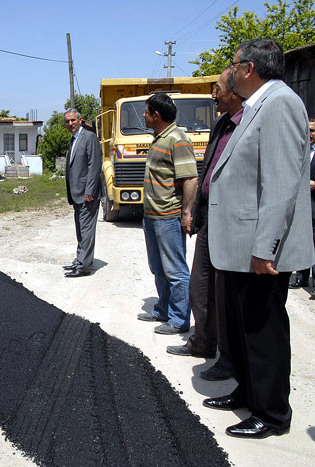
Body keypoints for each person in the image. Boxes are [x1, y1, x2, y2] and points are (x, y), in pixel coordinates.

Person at [203, 38, 314, 439]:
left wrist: (264, 246)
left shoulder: (280, 103)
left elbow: (282, 184)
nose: (228, 73)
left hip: (259, 250)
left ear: (249, 68)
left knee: (262, 332)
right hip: (240, 246)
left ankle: (271, 414)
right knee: (243, 327)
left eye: (233, 65)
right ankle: (248, 394)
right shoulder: (258, 106)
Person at [166, 69, 242, 382]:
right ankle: (203, 342)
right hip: (211, 219)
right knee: (201, 286)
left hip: (233, 222)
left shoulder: (247, 125)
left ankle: (226, 355)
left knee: (224, 295)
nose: (213, 94)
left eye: (218, 89)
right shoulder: (222, 124)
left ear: (235, 92)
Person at [136, 93, 198, 334]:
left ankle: (179, 319)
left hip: (168, 217)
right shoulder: (159, 137)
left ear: (156, 115)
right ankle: (163, 308)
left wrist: (186, 213)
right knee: (158, 267)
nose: (144, 115)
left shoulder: (177, 139)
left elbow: (191, 178)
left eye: (146, 111)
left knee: (175, 270)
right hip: (151, 215)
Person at [62, 109, 103, 278]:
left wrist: (89, 191)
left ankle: (84, 267)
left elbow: (94, 165)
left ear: (80, 120)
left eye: (73, 120)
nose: (70, 124)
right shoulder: (74, 139)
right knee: (80, 229)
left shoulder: (89, 137)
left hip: (87, 194)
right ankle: (80, 260)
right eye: (67, 121)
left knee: (86, 230)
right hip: (76, 193)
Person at [288, 116, 315, 289]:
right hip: (301, 204)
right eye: (307, 130)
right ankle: (301, 276)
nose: (309, 134)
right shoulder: (299, 149)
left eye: (312, 130)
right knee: (303, 241)